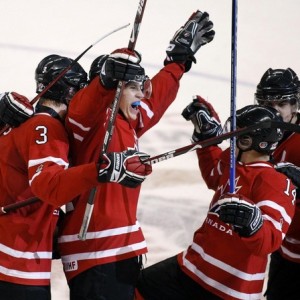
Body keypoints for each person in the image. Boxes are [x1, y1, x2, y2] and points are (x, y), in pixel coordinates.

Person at [57, 10, 215, 300]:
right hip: (96, 254)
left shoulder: (127, 122)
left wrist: (177, 62)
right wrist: (108, 76)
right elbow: (86, 104)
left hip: (119, 253)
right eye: (132, 86)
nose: (141, 95)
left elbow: (155, 99)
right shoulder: (89, 122)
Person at [0, 54, 151, 300]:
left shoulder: (13, 125)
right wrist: (101, 170)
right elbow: (48, 185)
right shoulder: (47, 127)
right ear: (71, 94)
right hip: (16, 266)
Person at [135, 98, 296, 300]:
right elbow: (213, 175)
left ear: (252, 142)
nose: (233, 137)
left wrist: (252, 225)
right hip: (194, 265)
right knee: (143, 286)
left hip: (232, 288)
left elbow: (269, 240)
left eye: (239, 134)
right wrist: (207, 140)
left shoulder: (274, 182)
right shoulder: (232, 159)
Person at [254, 68, 300, 300]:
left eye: (280, 105)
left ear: (295, 106)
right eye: (266, 103)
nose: (272, 111)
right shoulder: (259, 136)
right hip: (282, 248)